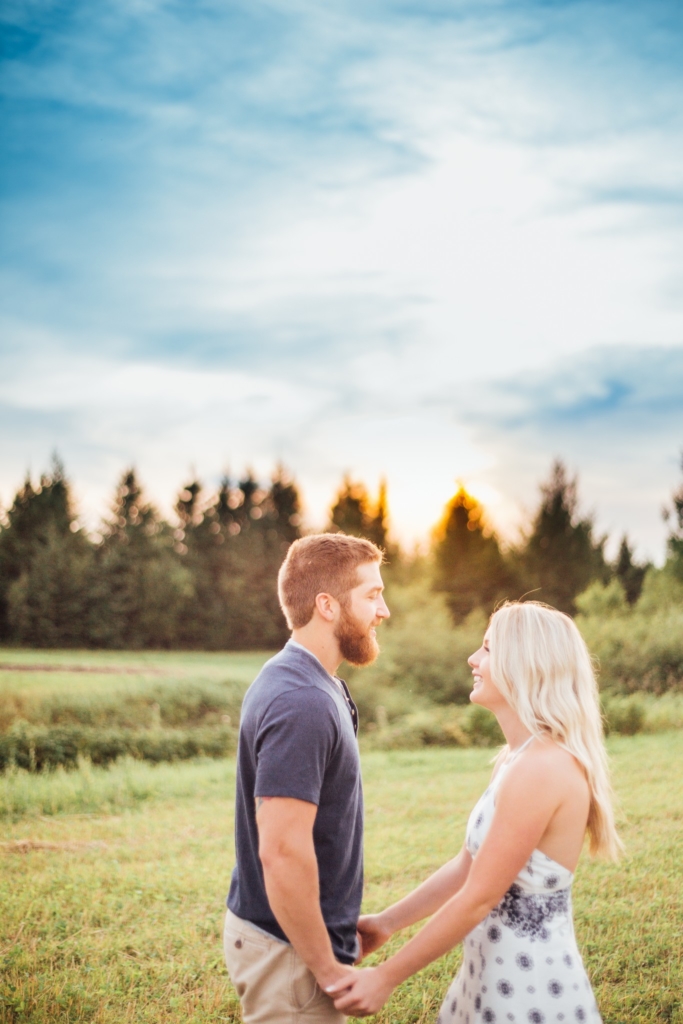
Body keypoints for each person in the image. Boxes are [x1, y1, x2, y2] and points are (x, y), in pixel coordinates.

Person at [328, 600, 621, 1022]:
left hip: (529, 991)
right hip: (489, 975)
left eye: (487, 648)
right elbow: (469, 866)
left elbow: (479, 897)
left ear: (526, 664)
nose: (473, 658)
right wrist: (386, 923)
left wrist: (386, 977)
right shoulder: (517, 758)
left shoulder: (543, 769)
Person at [223, 532, 390, 1024]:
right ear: (327, 605)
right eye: (372, 595)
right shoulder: (302, 701)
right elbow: (281, 852)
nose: (384, 611)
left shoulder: (320, 684)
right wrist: (328, 970)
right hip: (288, 954)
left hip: (296, 941)